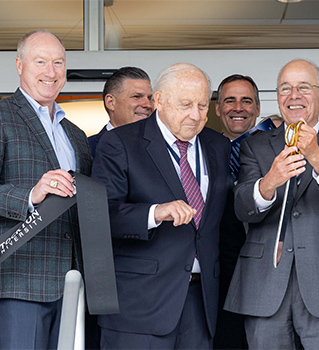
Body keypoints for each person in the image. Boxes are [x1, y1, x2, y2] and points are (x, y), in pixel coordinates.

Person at [224, 59, 319, 349]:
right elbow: (242, 207)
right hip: (265, 285)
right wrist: (269, 182)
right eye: (285, 89)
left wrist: (317, 156)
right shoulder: (256, 144)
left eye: (303, 87)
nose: (294, 96)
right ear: (277, 98)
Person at [0, 29, 93, 349]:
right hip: (17, 278)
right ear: (20, 65)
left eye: (59, 63)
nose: (51, 72)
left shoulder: (75, 133)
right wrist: (30, 195)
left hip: (73, 282)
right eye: (41, 61)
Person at [92, 63, 231, 349]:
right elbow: (100, 215)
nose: (196, 115)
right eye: (185, 105)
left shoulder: (218, 145)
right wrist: (155, 213)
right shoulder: (120, 143)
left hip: (201, 303)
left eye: (203, 105)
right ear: (159, 101)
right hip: (139, 305)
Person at [213, 73, 267, 350]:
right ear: (218, 108)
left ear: (257, 108)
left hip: (270, 269)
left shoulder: (277, 148)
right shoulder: (203, 148)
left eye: (247, 101)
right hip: (221, 271)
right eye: (230, 101)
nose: (238, 108)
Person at [87, 66, 153, 156]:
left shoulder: (161, 147)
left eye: (150, 98)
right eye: (136, 97)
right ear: (111, 102)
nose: (148, 105)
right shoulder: (87, 149)